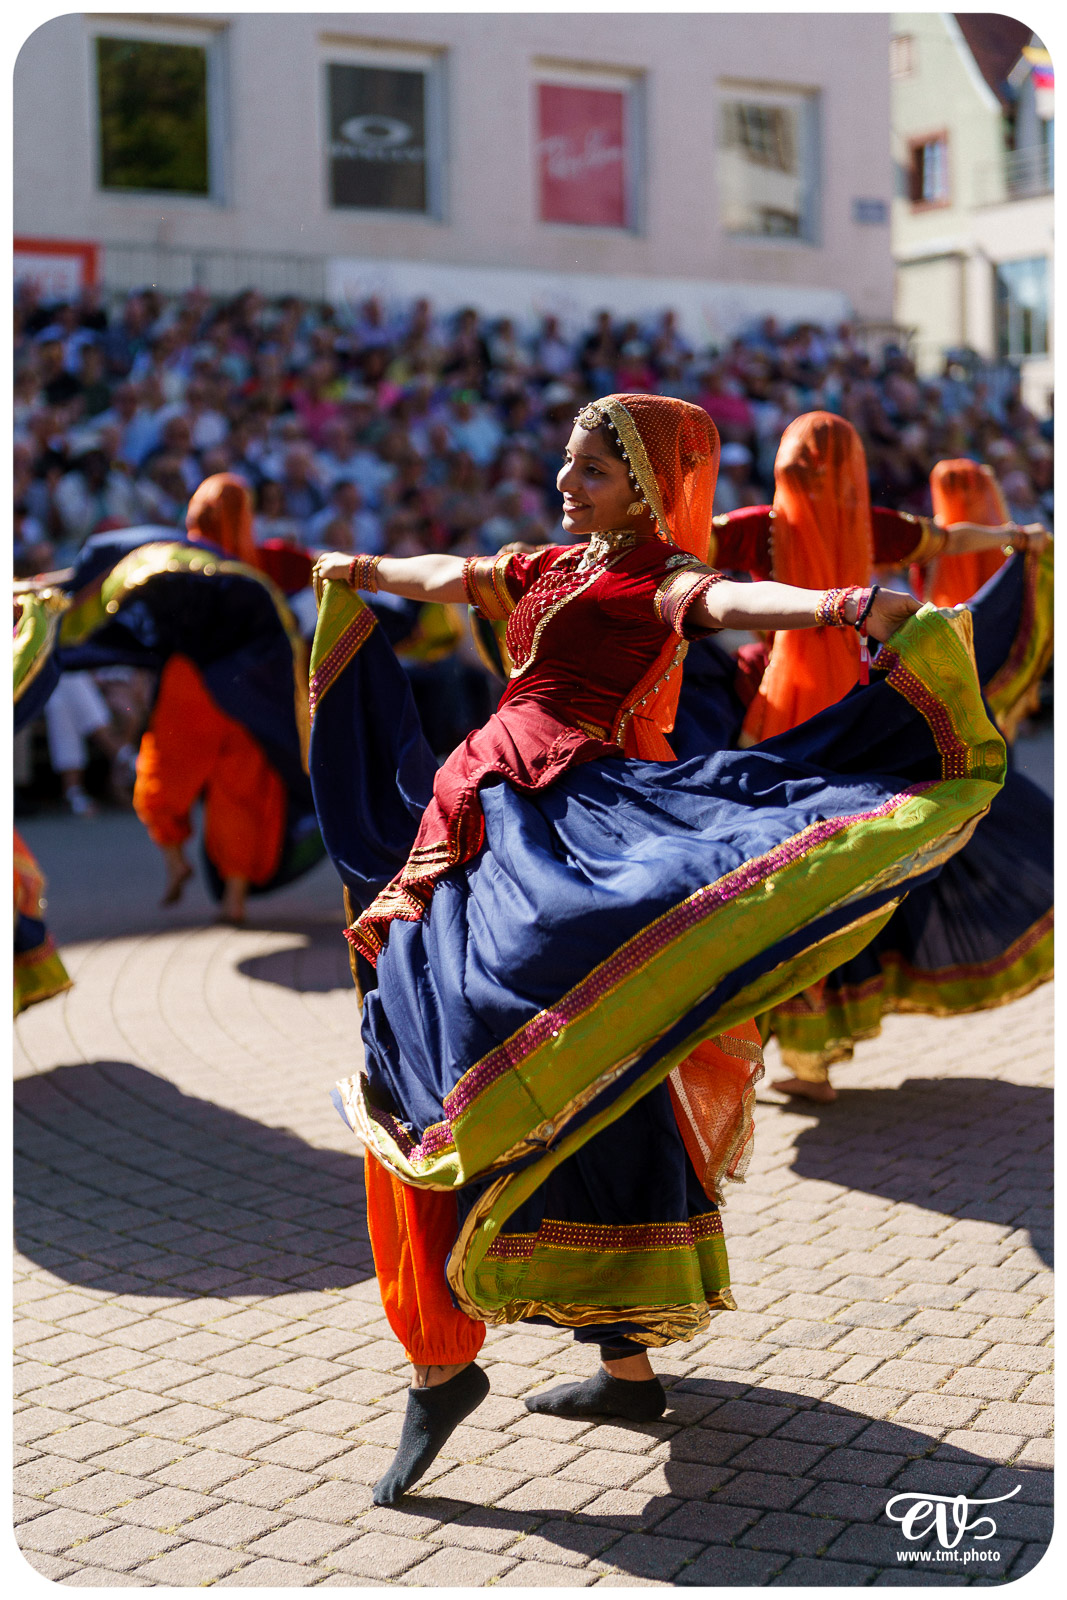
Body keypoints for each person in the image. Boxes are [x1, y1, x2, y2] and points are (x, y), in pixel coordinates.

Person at [308, 393, 1003, 1505]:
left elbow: (730, 600)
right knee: (516, 1062)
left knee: (524, 1058)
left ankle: (469, 1363)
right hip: (475, 817)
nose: (565, 483)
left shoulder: (657, 577)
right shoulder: (548, 565)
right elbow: (454, 576)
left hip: (558, 830)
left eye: (591, 470)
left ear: (642, 487)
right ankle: (590, 1368)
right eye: (566, 463)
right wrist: (362, 569)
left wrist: (841, 604)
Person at [696, 416, 1052, 1099]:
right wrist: (1014, 535)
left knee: (772, 875)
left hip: (773, 718)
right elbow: (947, 538)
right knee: (843, 871)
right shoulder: (870, 526)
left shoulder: (759, 527)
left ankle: (777, 1048)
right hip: (856, 715)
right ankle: (811, 1054)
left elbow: (687, 544)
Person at [53, 474, 323, 924]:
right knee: (241, 792)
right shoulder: (270, 560)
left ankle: (176, 860)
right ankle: (234, 898)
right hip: (250, 693)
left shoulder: (173, 555)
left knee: (164, 780)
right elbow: (326, 568)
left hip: (191, 688)